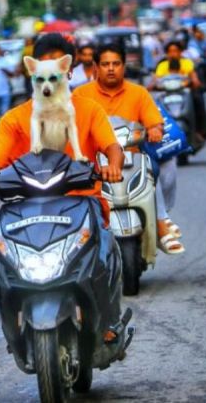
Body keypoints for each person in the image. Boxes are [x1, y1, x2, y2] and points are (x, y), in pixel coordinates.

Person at [0, 34, 125, 221]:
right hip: (28, 212)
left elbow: (112, 147)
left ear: (69, 72)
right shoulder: (12, 119)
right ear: (33, 73)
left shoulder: (89, 109)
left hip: (84, 205)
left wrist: (113, 167)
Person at [74, 44, 185, 254]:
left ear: (124, 66)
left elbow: (154, 120)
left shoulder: (138, 93)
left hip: (132, 157)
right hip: (95, 159)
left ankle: (161, 221)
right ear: (96, 67)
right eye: (105, 64)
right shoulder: (81, 95)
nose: (111, 68)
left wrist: (154, 129)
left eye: (116, 64)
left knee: (156, 166)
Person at [154, 41, 206, 141]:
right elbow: (156, 80)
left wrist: (194, 82)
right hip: (166, 94)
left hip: (185, 93)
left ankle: (201, 131)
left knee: (198, 101)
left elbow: (194, 77)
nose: (173, 54)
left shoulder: (187, 63)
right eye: (170, 51)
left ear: (181, 52)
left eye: (175, 51)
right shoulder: (162, 65)